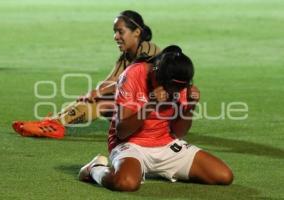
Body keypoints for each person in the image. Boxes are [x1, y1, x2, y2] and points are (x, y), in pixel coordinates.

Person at [78, 45, 233, 191]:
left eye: (177, 89)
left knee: (224, 176)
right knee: (126, 183)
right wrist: (151, 104)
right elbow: (122, 132)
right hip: (130, 144)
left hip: (165, 144)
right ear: (156, 73)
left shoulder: (180, 83)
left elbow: (178, 133)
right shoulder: (133, 74)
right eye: (169, 88)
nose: (173, 93)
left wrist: (190, 106)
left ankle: (154, 168)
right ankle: (95, 168)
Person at [12, 10, 161, 138]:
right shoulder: (126, 56)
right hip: (140, 109)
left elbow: (133, 83)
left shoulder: (148, 50)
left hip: (159, 113)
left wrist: (99, 93)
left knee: (102, 102)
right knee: (98, 98)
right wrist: (91, 94)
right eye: (115, 32)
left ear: (136, 32)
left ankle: (55, 125)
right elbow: (111, 80)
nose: (115, 37)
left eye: (120, 31)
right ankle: (53, 121)